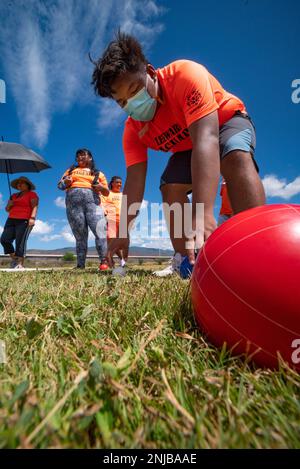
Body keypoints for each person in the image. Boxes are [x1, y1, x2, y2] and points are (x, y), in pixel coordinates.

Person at [91, 31, 266, 275]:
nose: (131, 103)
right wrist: (123, 232)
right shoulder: (133, 131)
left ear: (151, 73)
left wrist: (203, 212)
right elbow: (134, 182)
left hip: (224, 122)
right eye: (122, 102)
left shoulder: (185, 75)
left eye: (134, 90)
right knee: (170, 185)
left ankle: (258, 249)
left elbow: (207, 139)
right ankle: (186, 260)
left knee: (234, 156)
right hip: (190, 146)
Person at [58, 148, 109, 270]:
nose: (79, 157)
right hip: (73, 204)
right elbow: (60, 185)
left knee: (100, 231)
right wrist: (67, 182)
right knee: (80, 235)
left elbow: (107, 192)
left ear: (90, 157)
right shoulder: (70, 171)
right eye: (77, 156)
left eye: (83, 155)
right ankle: (80, 265)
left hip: (93, 203)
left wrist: (101, 187)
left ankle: (104, 262)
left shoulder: (98, 173)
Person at [1, 176, 38, 269]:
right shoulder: (13, 196)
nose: (19, 184)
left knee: (20, 241)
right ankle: (14, 259)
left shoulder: (32, 194)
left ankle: (20, 264)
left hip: (24, 220)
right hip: (11, 219)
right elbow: (7, 210)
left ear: (27, 185)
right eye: (18, 183)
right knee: (4, 239)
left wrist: (32, 218)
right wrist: (9, 205)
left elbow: (35, 206)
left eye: (22, 182)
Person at [101, 176, 125, 267]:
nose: (119, 184)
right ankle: (111, 260)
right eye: (117, 182)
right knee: (111, 240)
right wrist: (105, 214)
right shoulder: (107, 194)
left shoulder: (123, 195)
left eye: (120, 183)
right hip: (111, 219)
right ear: (112, 183)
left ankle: (121, 260)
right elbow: (102, 204)